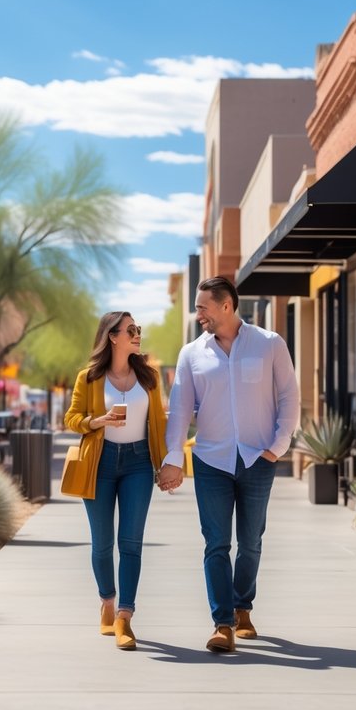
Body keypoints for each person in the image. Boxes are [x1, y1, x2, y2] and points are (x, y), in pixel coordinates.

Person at [159, 276, 299, 653]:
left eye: (203, 306)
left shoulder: (269, 344)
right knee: (216, 543)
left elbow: (289, 395)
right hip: (210, 459)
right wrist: (173, 458)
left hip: (258, 457)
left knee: (251, 541)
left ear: (226, 306)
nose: (198, 313)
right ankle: (223, 623)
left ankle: (243, 606)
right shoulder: (192, 354)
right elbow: (179, 411)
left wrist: (278, 445)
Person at [64, 312, 167, 650]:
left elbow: (160, 424)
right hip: (101, 461)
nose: (137, 335)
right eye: (131, 330)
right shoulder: (89, 377)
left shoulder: (149, 376)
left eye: (138, 330)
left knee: (132, 542)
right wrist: (98, 420)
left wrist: (167, 463)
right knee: (102, 543)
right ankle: (107, 601)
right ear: (112, 336)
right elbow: (71, 418)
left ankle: (125, 616)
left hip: (138, 463)